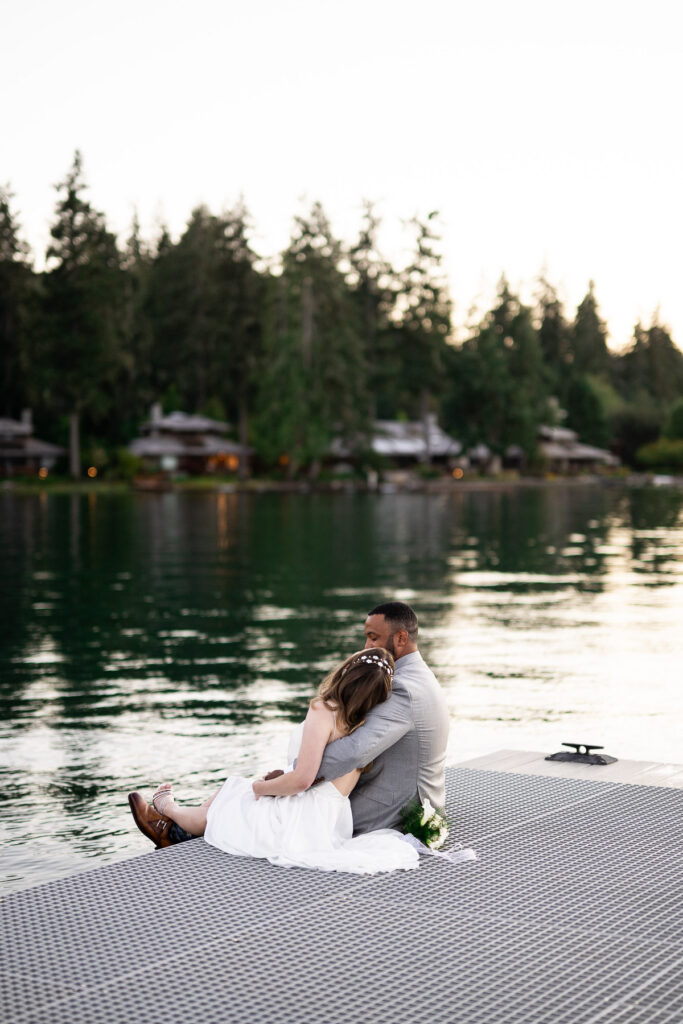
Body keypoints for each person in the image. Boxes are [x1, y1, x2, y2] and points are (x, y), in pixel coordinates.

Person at [128, 648, 419, 875]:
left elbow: (304, 779)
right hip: (329, 822)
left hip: (301, 818)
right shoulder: (365, 723)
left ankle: (169, 814)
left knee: (233, 798)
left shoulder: (325, 710)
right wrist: (279, 778)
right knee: (233, 792)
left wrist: (260, 789)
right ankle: (175, 825)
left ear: (347, 671)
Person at [315, 601, 449, 835]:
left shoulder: (402, 688)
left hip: (396, 810)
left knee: (289, 817)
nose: (366, 646)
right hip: (416, 797)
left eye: (373, 637)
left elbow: (356, 751)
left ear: (400, 638)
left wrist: (297, 773)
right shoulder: (420, 675)